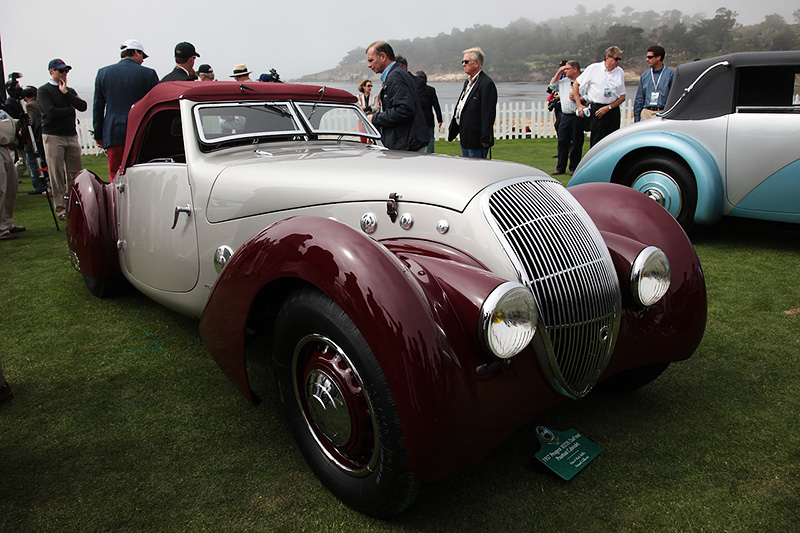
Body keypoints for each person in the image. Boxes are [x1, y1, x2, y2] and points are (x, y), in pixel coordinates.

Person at [93, 39, 159, 180]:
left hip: (114, 132)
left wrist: (98, 135)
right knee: (141, 174)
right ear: (136, 52)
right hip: (140, 132)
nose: (143, 60)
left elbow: (98, 107)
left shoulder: (103, 73)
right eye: (142, 56)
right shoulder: (148, 74)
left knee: (115, 174)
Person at [38, 59, 87, 220]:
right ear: (52, 71)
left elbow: (82, 106)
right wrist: (69, 109)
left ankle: (75, 205)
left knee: (75, 173)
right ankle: (61, 208)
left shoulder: (69, 91)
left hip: (70, 135)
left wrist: (66, 94)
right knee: (56, 173)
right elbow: (51, 112)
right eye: (60, 71)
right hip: (54, 136)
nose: (64, 74)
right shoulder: (44, 91)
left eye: (66, 71)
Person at [364, 41, 428, 152]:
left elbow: (405, 109)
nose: (369, 65)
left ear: (383, 56)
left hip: (405, 146)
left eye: (371, 60)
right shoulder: (398, 74)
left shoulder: (395, 77)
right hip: (407, 142)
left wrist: (375, 118)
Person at [449, 47, 497, 158]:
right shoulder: (467, 83)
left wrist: (485, 138)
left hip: (477, 140)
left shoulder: (486, 84)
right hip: (465, 137)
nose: (463, 64)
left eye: (466, 61)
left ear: (476, 63)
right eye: (462, 62)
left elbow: (488, 113)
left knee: (477, 167)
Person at [574, 46, 626, 147]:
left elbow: (622, 97)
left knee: (613, 141)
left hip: (612, 109)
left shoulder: (619, 71)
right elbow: (576, 84)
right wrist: (579, 105)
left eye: (619, 59)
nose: (618, 62)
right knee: (597, 141)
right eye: (616, 59)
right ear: (607, 57)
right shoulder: (593, 68)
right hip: (597, 109)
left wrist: (608, 107)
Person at [549, 60, 583, 176]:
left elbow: (590, 95)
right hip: (564, 115)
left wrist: (580, 99)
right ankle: (560, 167)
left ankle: (574, 167)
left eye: (568, 69)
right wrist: (559, 72)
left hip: (577, 115)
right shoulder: (563, 82)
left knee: (576, 143)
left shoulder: (583, 81)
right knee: (562, 142)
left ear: (575, 69)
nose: (565, 71)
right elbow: (551, 86)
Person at [1, 106, 25, 240]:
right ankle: (1, 228)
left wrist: (19, 122)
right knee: (1, 189)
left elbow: (7, 122)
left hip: (5, 147)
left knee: (11, 186)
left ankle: (7, 223)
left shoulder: (2, 110)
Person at [634, 45, 675, 122]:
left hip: (662, 113)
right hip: (646, 113)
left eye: (650, 57)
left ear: (658, 57)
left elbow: (674, 97)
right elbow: (639, 99)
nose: (647, 60)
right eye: (647, 57)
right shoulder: (645, 76)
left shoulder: (671, 74)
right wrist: (636, 118)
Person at [21, 86, 47, 194]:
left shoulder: (30, 105)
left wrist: (22, 130)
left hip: (33, 138)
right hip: (40, 136)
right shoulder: (38, 103)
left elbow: (30, 122)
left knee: (32, 163)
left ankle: (38, 186)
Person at [415, 71, 443, 153]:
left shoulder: (414, 90)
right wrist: (440, 119)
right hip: (429, 119)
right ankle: (431, 154)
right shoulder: (431, 90)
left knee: (418, 138)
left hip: (418, 119)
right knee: (430, 139)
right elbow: (436, 105)